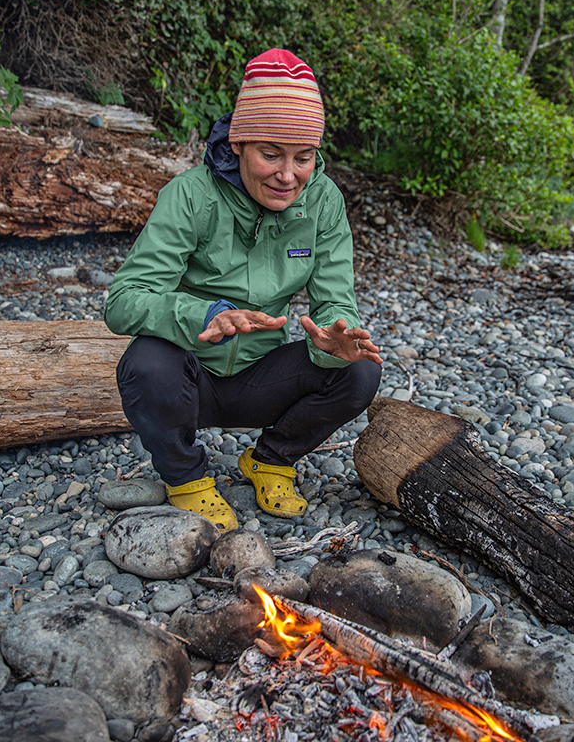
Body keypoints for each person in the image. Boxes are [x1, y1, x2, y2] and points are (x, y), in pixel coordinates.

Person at [105, 49, 382, 533]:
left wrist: (335, 337)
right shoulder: (191, 194)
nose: (288, 175)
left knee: (359, 370)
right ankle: (185, 478)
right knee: (145, 363)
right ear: (238, 143)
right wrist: (204, 315)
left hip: (260, 379)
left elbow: (336, 299)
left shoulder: (323, 201)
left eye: (303, 158)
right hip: (191, 376)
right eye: (270, 154)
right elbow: (124, 299)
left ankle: (270, 460)